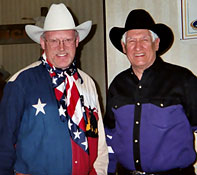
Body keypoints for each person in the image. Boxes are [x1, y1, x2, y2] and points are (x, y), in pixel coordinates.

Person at [0, 3, 108, 175]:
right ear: (43, 43)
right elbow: (3, 146)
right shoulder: (20, 83)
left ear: (77, 41)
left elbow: (100, 141)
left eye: (67, 40)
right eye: (54, 40)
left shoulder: (87, 83)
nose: (62, 47)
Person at [104, 9, 197, 175]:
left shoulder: (183, 80)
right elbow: (110, 134)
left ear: (156, 43)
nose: (138, 46)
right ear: (124, 47)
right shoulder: (117, 85)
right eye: (131, 40)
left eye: (144, 39)